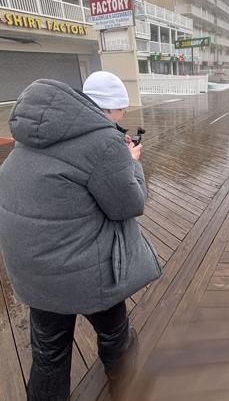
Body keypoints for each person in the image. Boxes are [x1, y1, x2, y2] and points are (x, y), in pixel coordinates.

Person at [0, 71, 154, 400]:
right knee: (116, 338)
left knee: (49, 356)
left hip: (33, 273)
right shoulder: (104, 142)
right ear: (110, 110)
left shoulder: (29, 136)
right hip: (86, 274)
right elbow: (129, 205)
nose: (123, 117)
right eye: (121, 110)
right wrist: (132, 163)